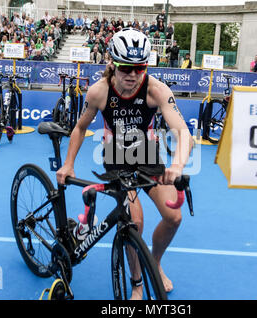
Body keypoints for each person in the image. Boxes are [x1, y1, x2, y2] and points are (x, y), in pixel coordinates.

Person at [56, 28, 193, 299]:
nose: (132, 75)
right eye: (125, 68)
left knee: (174, 216)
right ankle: (137, 281)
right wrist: (68, 164)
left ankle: (154, 261)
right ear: (112, 63)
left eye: (139, 68)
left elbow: (183, 131)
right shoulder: (98, 92)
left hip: (147, 156)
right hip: (117, 158)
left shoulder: (156, 90)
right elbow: (80, 127)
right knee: (135, 223)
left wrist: (177, 165)